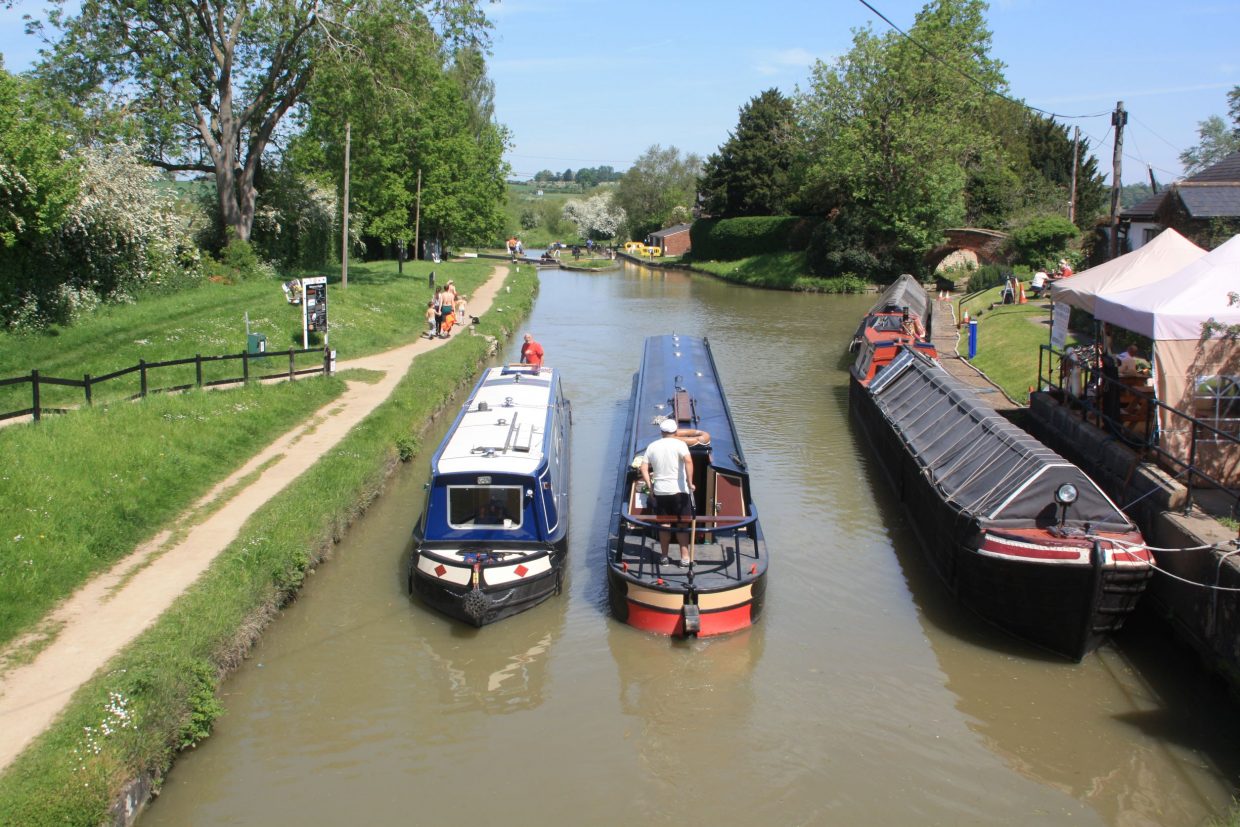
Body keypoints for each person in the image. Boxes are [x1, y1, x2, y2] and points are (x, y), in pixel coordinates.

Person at [640, 418, 695, 566]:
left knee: (664, 525)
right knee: (682, 524)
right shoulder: (681, 444)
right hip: (680, 491)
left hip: (661, 491)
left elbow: (643, 468)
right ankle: (685, 558)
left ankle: (664, 557)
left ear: (661, 432)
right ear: (676, 432)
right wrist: (690, 482)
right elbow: (689, 462)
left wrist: (650, 487)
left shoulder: (652, 446)